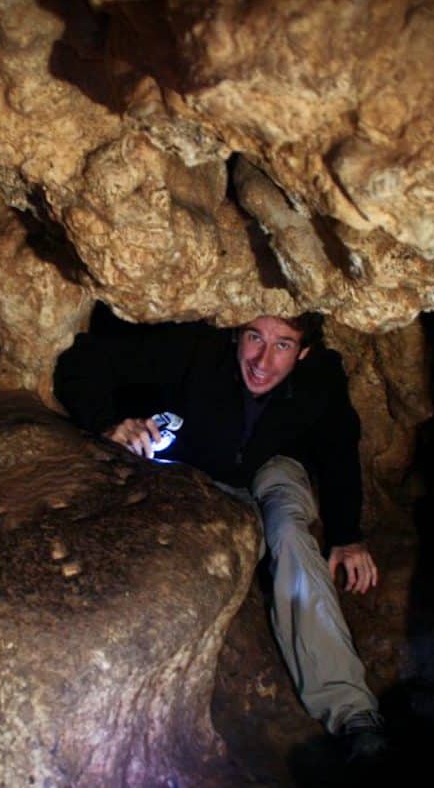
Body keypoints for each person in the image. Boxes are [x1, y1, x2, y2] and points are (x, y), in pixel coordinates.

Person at [53, 311, 388, 762]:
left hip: (274, 468)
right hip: (194, 469)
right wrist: (108, 421)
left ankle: (352, 712)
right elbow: (86, 360)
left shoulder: (321, 379)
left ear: (304, 352)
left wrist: (348, 535)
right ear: (237, 333)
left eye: (283, 345)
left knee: (290, 534)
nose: (262, 360)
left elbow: (339, 450)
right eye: (254, 338)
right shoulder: (198, 351)